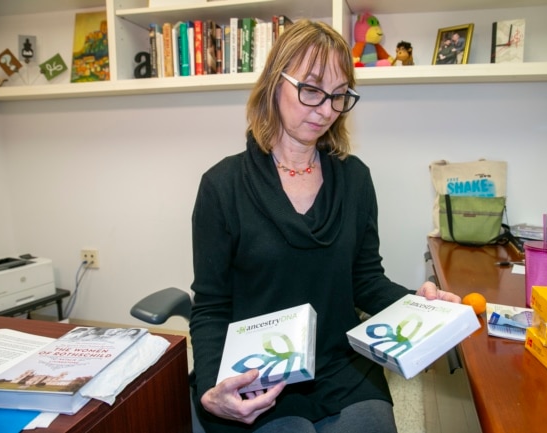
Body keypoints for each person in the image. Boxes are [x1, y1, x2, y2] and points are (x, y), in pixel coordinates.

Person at [189, 19, 461, 433]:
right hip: (260, 372)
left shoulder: (354, 179)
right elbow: (210, 306)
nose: (326, 110)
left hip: (340, 363)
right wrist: (211, 389)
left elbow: (366, 280)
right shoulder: (222, 186)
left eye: (338, 96)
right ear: (274, 83)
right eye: (311, 90)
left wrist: (420, 305)